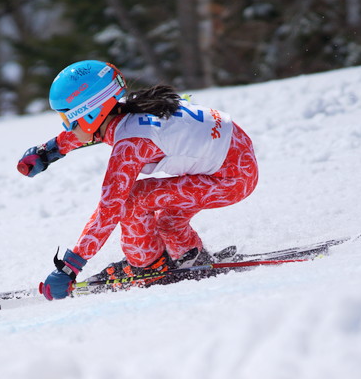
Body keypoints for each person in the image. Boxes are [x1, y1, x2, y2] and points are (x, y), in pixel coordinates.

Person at [17, 60, 258, 300]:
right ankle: (190, 257)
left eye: (67, 118)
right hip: (236, 156)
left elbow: (110, 209)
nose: (66, 126)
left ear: (90, 113)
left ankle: (149, 266)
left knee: (133, 198)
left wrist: (70, 268)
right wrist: (50, 150)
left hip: (233, 178)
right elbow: (95, 130)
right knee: (167, 222)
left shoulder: (131, 145)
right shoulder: (129, 112)